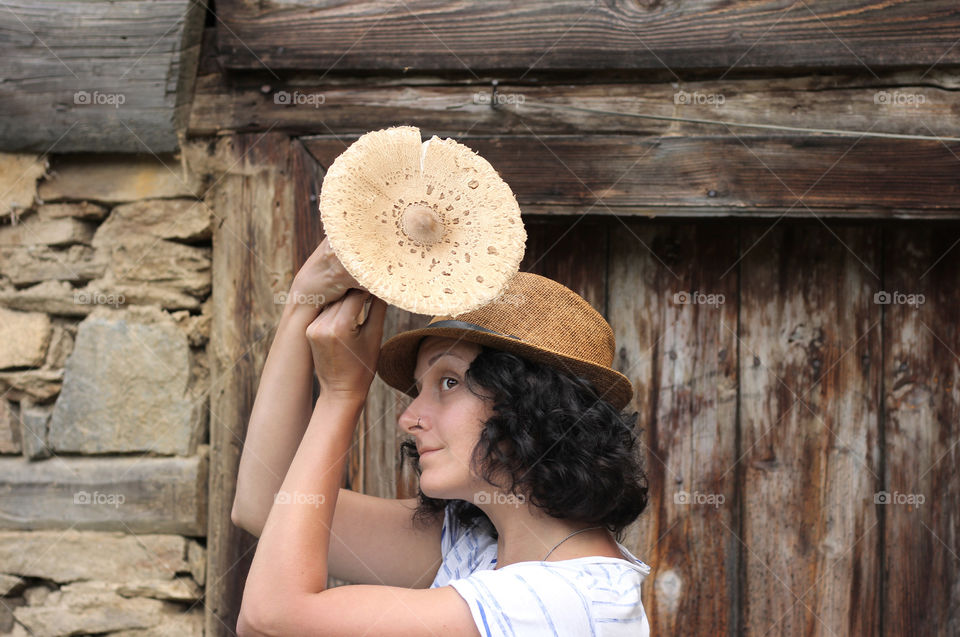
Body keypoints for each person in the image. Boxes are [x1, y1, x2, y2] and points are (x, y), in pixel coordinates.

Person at [233, 238, 652, 636]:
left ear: (532, 404)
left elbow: (271, 619)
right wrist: (301, 304)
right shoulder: (481, 548)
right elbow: (268, 502)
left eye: (448, 381)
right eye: (421, 388)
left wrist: (341, 396)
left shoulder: (565, 604)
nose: (409, 417)